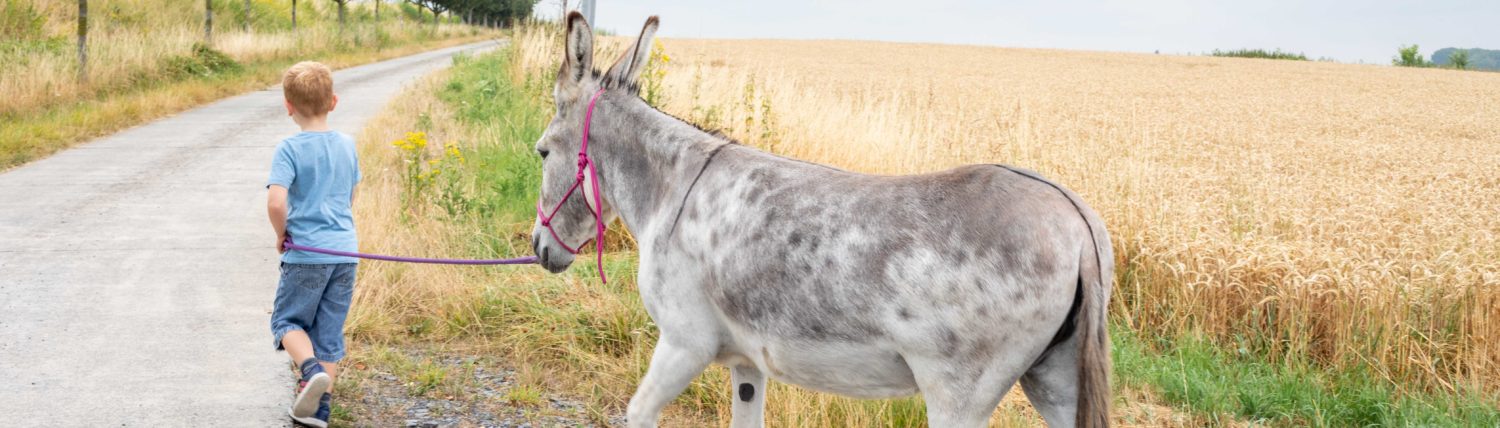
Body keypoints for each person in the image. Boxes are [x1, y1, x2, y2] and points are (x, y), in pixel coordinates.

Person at [265, 61, 360, 428]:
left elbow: (276, 202)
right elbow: (352, 192)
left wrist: (281, 234)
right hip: (345, 252)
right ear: (333, 101)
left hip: (306, 253)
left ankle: (309, 369)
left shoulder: (289, 148)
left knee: (286, 320)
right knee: (328, 331)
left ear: (288, 106)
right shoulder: (347, 145)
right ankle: (319, 411)